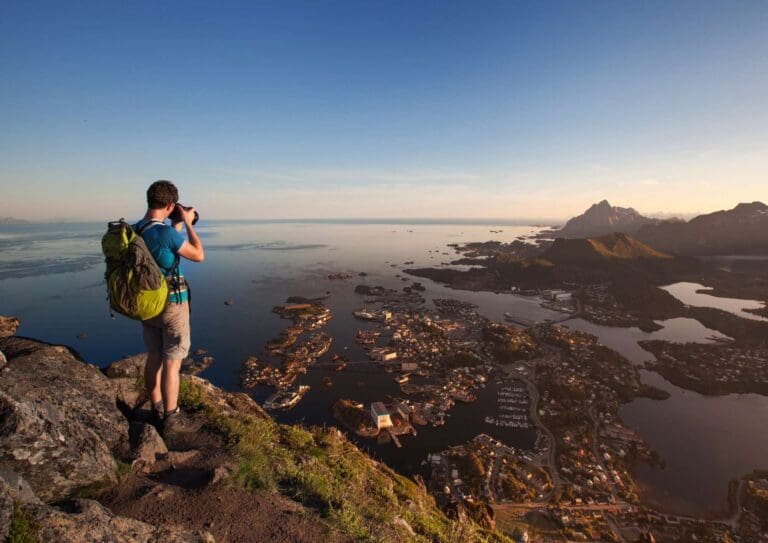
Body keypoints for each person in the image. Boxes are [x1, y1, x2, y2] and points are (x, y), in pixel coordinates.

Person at [134, 180, 204, 437]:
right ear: (171, 205)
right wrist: (187, 222)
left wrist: (174, 225)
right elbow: (198, 255)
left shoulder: (134, 231)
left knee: (154, 356)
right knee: (172, 363)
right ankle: (171, 420)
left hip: (146, 305)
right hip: (172, 306)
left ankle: (156, 408)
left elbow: (162, 250)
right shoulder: (167, 234)